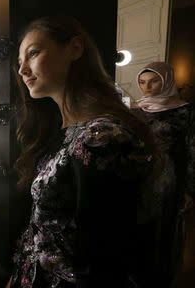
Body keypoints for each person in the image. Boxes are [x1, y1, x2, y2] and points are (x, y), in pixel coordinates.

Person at [9, 16, 156, 288]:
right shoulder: (63, 130)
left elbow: (104, 258)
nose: (22, 71)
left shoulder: (103, 138)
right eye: (20, 62)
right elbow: (40, 229)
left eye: (32, 53)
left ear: (75, 48)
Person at [132, 62, 194, 287]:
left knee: (163, 228)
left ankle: (160, 277)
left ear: (167, 80)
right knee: (137, 226)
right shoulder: (135, 110)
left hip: (169, 179)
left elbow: (192, 150)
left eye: (153, 81)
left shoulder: (185, 111)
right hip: (138, 177)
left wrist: (189, 190)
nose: (147, 87)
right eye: (142, 82)